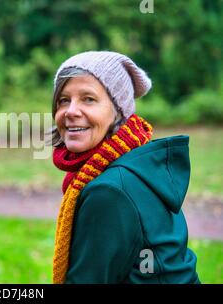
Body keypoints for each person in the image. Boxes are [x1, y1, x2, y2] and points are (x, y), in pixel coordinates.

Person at [50, 51, 200, 284]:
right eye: (63, 100)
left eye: (88, 99)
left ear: (119, 111)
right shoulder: (141, 163)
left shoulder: (110, 190)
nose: (70, 111)